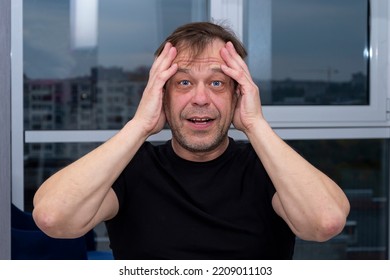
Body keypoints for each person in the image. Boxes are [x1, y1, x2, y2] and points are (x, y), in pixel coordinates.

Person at [32, 22, 350, 260]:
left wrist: (256, 125)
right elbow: (53, 218)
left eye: (217, 82)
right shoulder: (131, 168)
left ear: (238, 95)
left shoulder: (268, 168)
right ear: (162, 96)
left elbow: (324, 222)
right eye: (184, 82)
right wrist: (140, 125)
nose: (200, 98)